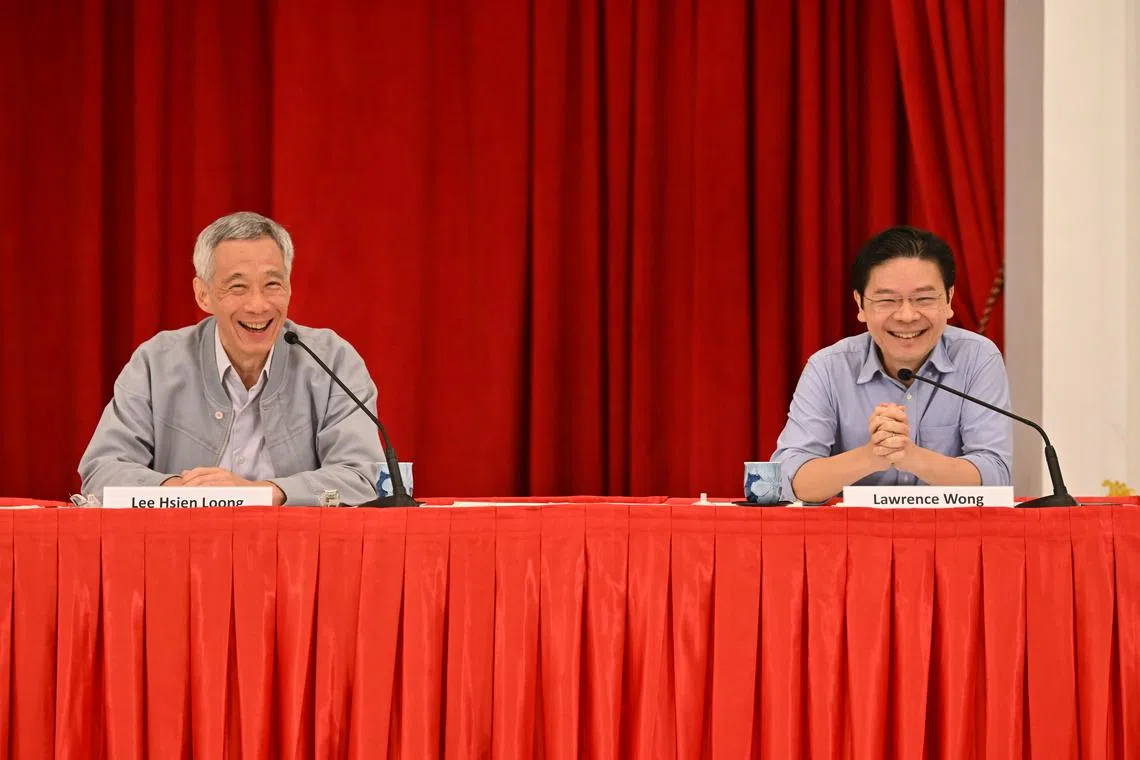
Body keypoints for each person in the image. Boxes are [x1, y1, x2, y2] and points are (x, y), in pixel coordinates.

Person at [78, 211, 384, 505]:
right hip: (182, 551)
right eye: (238, 287)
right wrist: (185, 492)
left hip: (297, 551)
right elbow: (102, 471)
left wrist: (261, 492)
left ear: (289, 288)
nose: (258, 305)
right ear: (203, 295)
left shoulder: (333, 360)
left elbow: (362, 476)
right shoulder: (155, 363)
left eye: (272, 285)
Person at [771, 226, 1012, 503]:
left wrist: (911, 457)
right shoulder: (828, 368)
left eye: (923, 298)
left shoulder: (977, 358)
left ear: (948, 300)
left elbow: (995, 477)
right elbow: (790, 480)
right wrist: (872, 456)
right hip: (852, 539)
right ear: (860, 304)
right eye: (887, 300)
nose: (907, 315)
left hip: (952, 537)